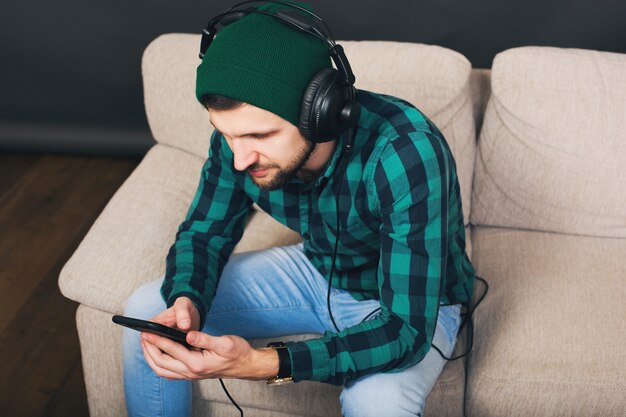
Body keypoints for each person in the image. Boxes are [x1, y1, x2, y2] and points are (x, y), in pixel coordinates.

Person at [122, 2, 476, 416]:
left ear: (319, 113)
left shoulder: (406, 152)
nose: (239, 158)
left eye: (260, 134)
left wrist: (263, 362)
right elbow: (204, 233)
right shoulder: (238, 145)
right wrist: (189, 299)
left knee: (377, 403)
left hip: (408, 303)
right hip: (319, 270)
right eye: (227, 134)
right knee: (149, 310)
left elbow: (406, 331)